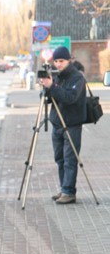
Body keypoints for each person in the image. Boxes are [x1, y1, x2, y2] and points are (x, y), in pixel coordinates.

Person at [39, 46, 87, 205]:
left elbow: (69, 98)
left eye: (61, 61)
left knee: (70, 159)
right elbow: (50, 99)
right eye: (56, 61)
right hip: (57, 123)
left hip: (72, 124)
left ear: (69, 60)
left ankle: (69, 192)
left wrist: (52, 87)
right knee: (59, 158)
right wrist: (45, 89)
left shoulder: (77, 78)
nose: (58, 64)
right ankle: (63, 188)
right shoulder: (56, 77)